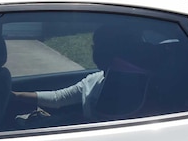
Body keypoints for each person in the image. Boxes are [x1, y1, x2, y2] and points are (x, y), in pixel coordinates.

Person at [12, 24, 144, 122]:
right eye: (94, 46)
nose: (94, 51)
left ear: (114, 50)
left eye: (99, 46)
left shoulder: (133, 88)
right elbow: (58, 98)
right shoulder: (93, 81)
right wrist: (17, 96)